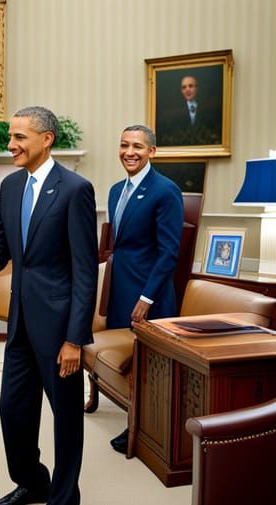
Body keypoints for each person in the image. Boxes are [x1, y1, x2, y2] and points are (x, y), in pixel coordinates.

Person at [0, 106, 98, 505]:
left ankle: (64, 501)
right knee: (12, 410)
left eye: (19, 137)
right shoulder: (11, 186)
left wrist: (74, 339)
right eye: (10, 136)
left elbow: (86, 272)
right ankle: (32, 482)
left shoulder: (75, 189)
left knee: (66, 420)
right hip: (20, 327)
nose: (10, 145)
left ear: (46, 139)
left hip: (59, 330)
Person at [107, 125, 183, 454]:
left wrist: (146, 297)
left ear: (152, 151)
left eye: (138, 146)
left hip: (149, 295)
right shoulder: (113, 190)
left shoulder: (166, 191)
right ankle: (135, 418)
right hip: (120, 287)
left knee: (150, 366)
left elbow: (169, 252)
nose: (129, 152)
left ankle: (144, 429)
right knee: (131, 359)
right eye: (124, 145)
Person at [157, 75, 222, 146]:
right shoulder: (175, 112)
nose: (187, 90)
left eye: (191, 86)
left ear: (197, 88)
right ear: (181, 91)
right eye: (184, 87)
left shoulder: (207, 109)